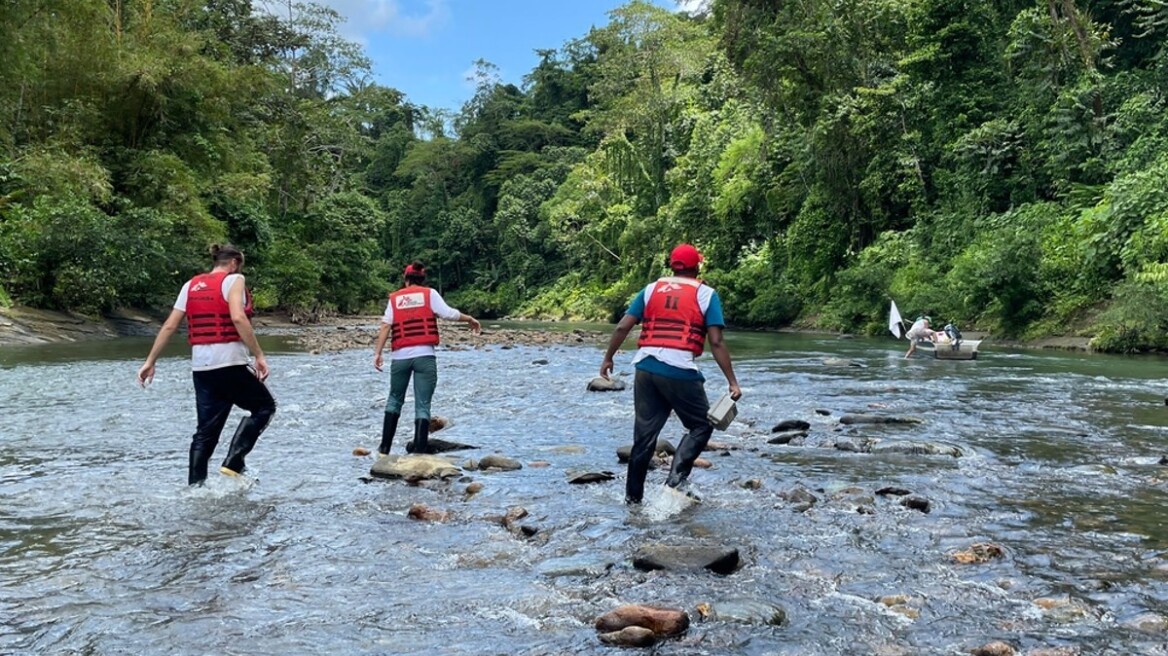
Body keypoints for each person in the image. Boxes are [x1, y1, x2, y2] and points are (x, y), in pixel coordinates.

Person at [599, 243, 742, 505]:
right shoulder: (706, 294)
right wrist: (732, 381)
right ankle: (675, 482)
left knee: (643, 438)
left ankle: (633, 501)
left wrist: (608, 358)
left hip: (645, 368)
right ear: (697, 266)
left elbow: (622, 327)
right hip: (679, 370)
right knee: (701, 425)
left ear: (672, 265)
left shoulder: (651, 289)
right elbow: (716, 341)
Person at [137, 244, 276, 485]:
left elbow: (170, 326)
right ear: (234, 263)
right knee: (264, 407)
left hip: (201, 369)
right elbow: (237, 317)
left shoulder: (189, 286)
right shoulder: (235, 280)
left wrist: (150, 361)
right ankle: (234, 462)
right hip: (230, 363)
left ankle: (195, 487)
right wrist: (259, 355)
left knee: (205, 433)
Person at [373, 261, 481, 456]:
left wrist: (378, 353)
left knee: (394, 400)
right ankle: (420, 451)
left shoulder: (395, 298)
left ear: (406, 279)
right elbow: (448, 314)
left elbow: (385, 325)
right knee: (422, 404)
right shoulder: (429, 294)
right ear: (422, 279)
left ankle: (384, 449)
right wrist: (469, 319)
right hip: (425, 356)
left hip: (400, 358)